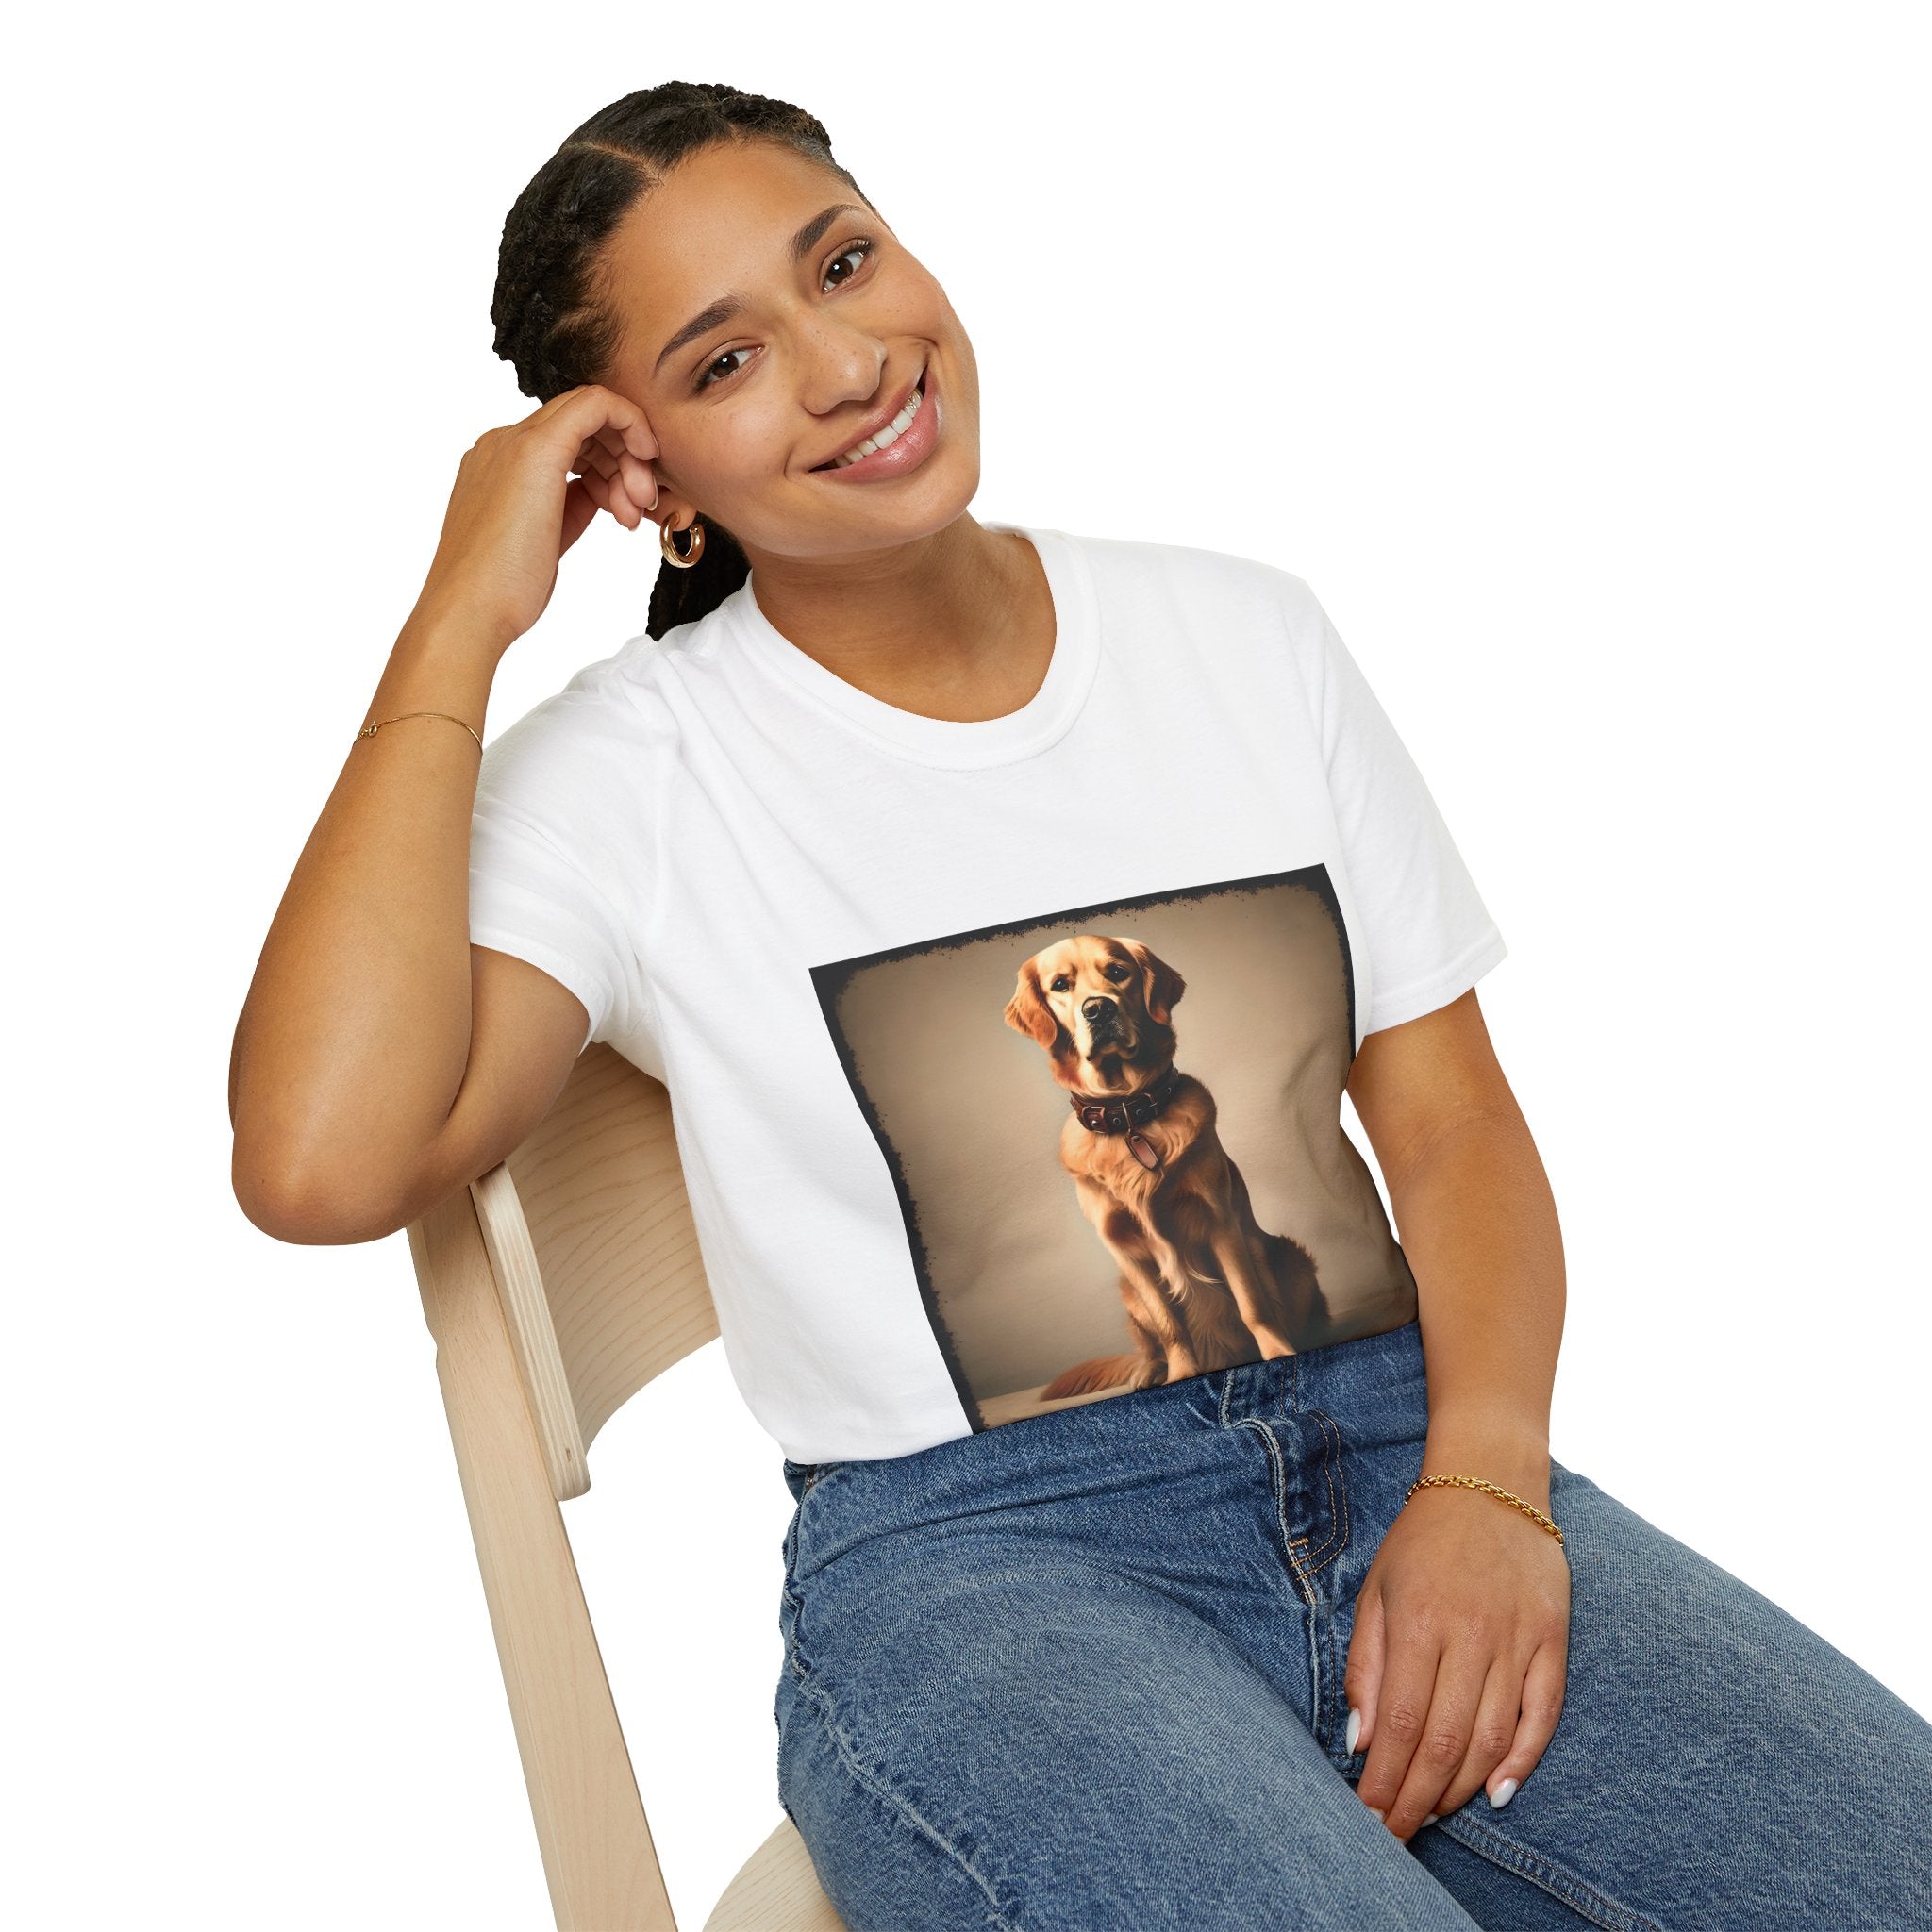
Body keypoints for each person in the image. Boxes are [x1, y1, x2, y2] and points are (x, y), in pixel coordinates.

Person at [228, 80, 1932, 1932]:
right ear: (646, 479)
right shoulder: (634, 773)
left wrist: (1490, 1487)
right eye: (725, 362)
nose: (845, 361)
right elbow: (321, 1158)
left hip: (1401, 1447)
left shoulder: (1243, 637)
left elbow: (1448, 1126)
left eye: (845, 262)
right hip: (984, 1568)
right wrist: (456, 618)